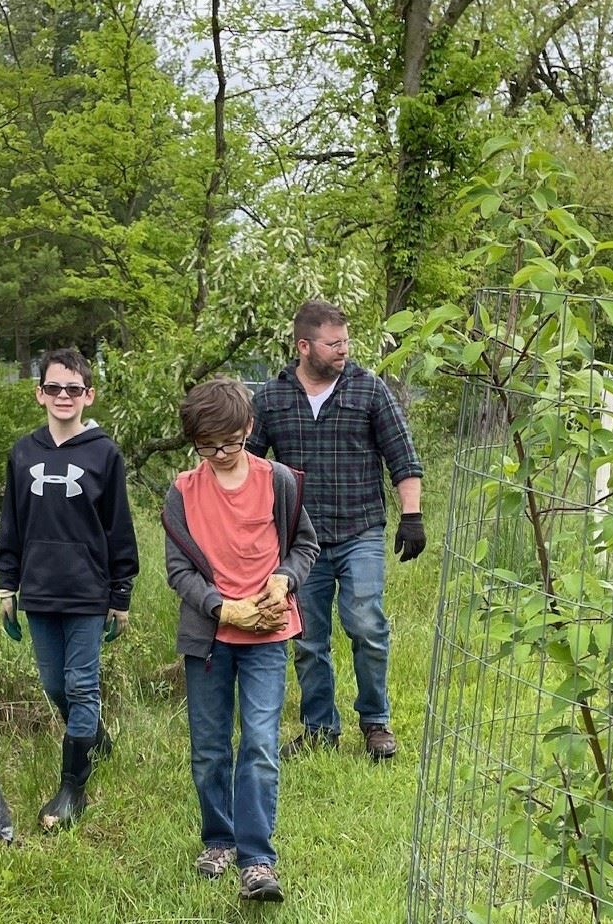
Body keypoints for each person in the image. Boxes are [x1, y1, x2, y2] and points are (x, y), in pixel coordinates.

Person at [247, 299, 425, 761]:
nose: (343, 350)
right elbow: (245, 464)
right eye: (333, 343)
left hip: (360, 529)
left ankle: (375, 722)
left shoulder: (370, 390)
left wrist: (412, 516)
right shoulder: (271, 397)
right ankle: (319, 727)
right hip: (299, 541)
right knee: (307, 639)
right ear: (303, 346)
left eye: (346, 341)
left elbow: (402, 457)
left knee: (366, 624)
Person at [163, 377, 320, 903]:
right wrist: (222, 606)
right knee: (209, 748)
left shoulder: (279, 481)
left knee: (258, 743)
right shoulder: (182, 490)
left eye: (229, 442)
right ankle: (218, 839)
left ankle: (256, 858)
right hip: (208, 639)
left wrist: (284, 580)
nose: (220, 454)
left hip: (269, 635)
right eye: (207, 446)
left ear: (248, 429)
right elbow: (178, 571)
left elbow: (303, 547)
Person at [0, 348, 139, 832]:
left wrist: (120, 595)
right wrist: (6, 585)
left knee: (80, 684)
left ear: (87, 395)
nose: (63, 396)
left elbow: (119, 527)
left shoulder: (104, 453)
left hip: (87, 591)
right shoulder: (23, 452)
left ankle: (72, 787)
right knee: (56, 685)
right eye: (54, 388)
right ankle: (95, 739)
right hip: (38, 590)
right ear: (40, 393)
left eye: (73, 389)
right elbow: (11, 524)